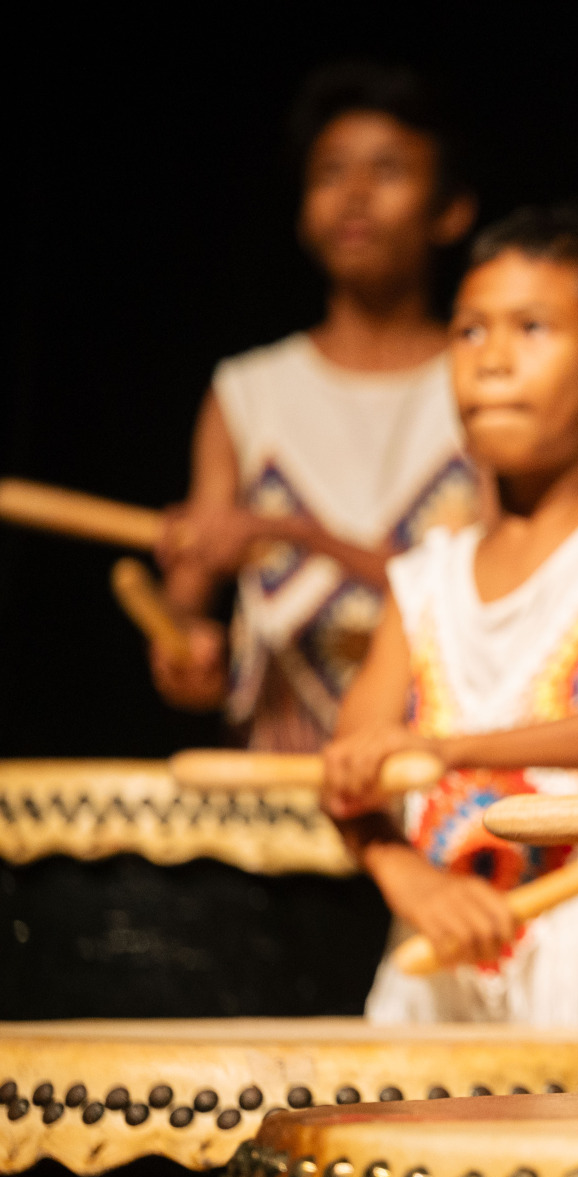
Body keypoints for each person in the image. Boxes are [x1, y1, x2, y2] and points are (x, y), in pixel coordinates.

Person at [321, 208, 578, 1088]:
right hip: (447, 946)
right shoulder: (425, 578)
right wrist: (411, 884)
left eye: (531, 328)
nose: (491, 357)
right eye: (470, 329)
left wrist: (451, 749)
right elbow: (350, 770)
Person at [153, 62, 485, 751]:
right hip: (279, 783)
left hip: (439, 772)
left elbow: (489, 583)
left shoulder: (485, 380)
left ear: (451, 209)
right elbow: (190, 589)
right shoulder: (248, 391)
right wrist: (182, 642)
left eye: (387, 171)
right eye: (331, 173)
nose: (354, 197)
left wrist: (299, 535)